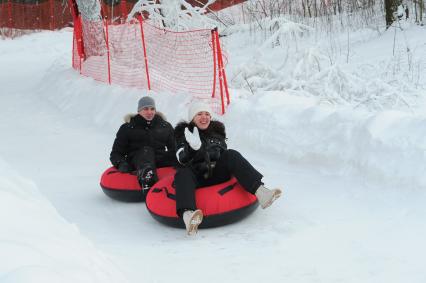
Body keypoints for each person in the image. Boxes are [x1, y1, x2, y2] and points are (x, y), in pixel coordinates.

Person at [174, 101, 282, 235]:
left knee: (232, 154)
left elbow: (224, 154)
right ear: (192, 118)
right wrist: (192, 148)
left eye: (207, 114)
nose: (204, 117)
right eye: (199, 114)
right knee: (182, 173)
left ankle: (262, 193)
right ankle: (188, 215)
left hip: (217, 174)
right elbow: (181, 158)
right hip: (196, 175)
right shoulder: (183, 133)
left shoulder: (217, 132)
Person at [110, 96, 176, 191]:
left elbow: (174, 148)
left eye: (152, 109)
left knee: (180, 155)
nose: (149, 112)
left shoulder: (165, 126)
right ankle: (148, 181)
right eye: (145, 109)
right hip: (138, 161)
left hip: (159, 159)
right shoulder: (128, 128)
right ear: (139, 110)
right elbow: (116, 153)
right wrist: (121, 163)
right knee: (147, 150)